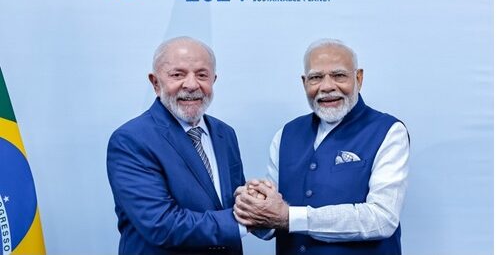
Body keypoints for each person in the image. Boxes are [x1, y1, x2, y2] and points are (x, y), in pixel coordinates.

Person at [234, 39, 409, 255]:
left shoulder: (388, 131)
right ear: (304, 82)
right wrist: (253, 208)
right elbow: (270, 225)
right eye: (316, 77)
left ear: (359, 78)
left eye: (339, 75)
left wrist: (291, 217)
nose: (326, 87)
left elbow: (382, 219)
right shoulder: (286, 134)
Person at [107, 36, 246, 255]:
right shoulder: (130, 140)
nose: (191, 85)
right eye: (177, 74)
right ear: (155, 83)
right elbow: (162, 224)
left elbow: (230, 200)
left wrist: (254, 200)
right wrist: (247, 220)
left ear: (213, 80)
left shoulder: (225, 134)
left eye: (202, 75)